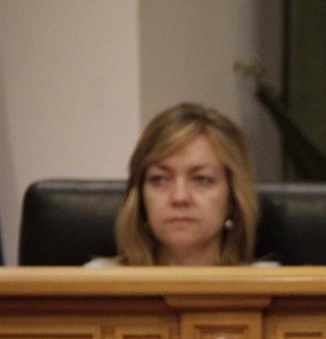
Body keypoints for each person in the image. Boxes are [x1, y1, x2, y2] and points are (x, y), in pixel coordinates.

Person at [87, 102, 267, 267]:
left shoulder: (269, 284)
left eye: (201, 179)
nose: (180, 197)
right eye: (160, 179)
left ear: (233, 199)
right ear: (140, 198)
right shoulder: (96, 282)